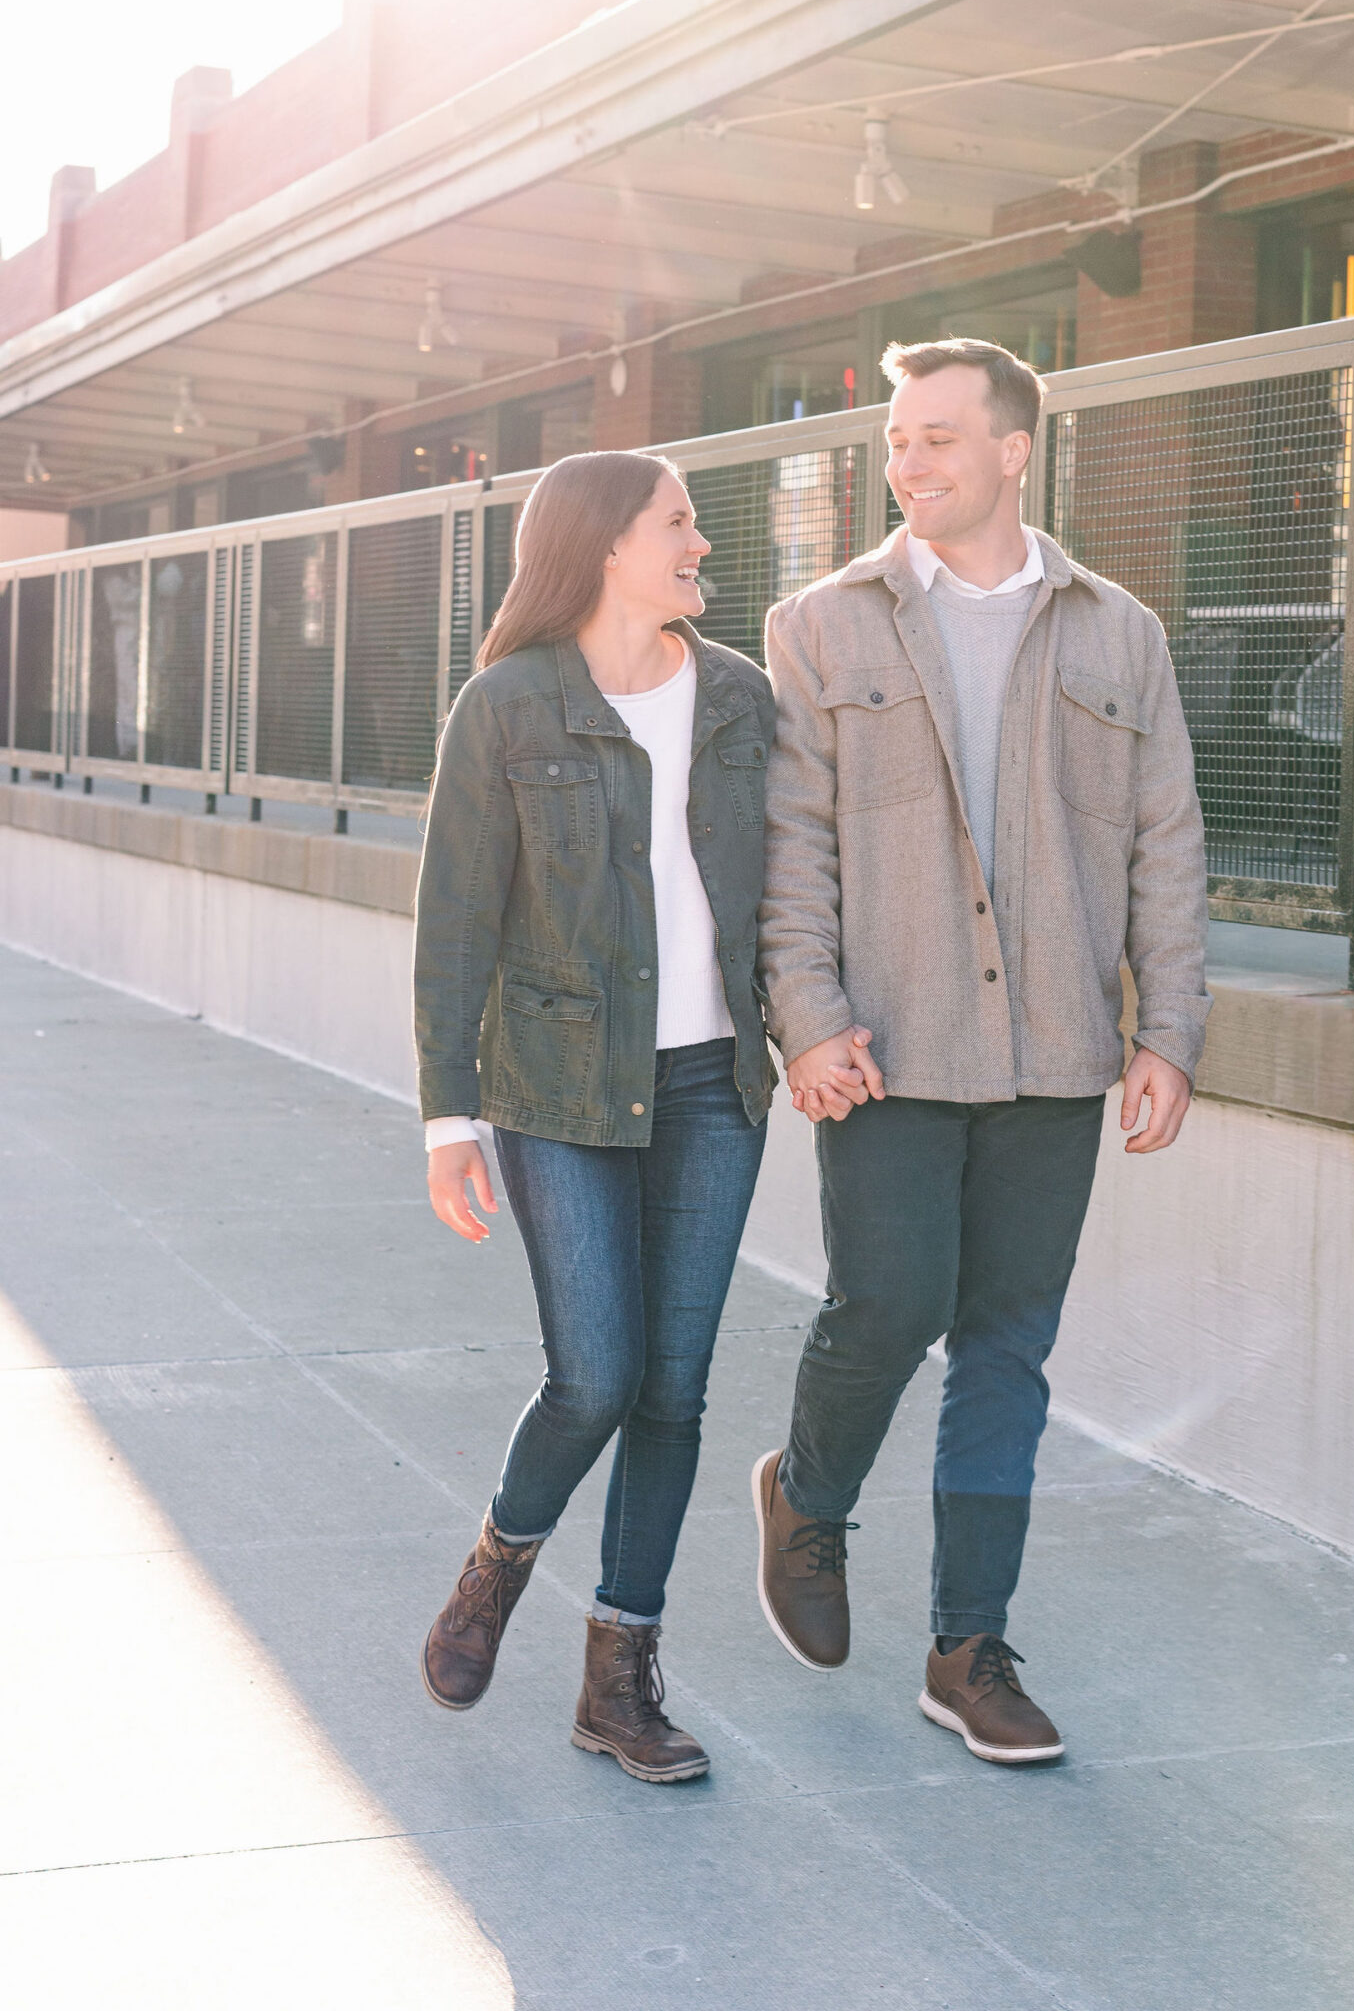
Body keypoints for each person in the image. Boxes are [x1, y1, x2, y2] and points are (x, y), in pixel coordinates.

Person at [754, 335, 1209, 1765]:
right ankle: (809, 1503)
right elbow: (793, 852)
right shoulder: (822, 626)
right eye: (898, 439)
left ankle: (967, 1648)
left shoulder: (1119, 631)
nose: (910, 460)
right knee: (885, 1310)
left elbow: (1168, 846)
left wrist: (1169, 1031)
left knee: (1007, 1350)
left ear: (1015, 450)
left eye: (941, 436)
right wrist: (808, 1019)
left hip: (1060, 1052)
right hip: (885, 1049)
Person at [414, 450, 776, 1784]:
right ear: (608, 545)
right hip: (560, 1085)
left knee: (673, 1393)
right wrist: (448, 1115)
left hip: (715, 1086)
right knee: (597, 1377)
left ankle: (618, 1675)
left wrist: (825, 1026)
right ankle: (501, 1562)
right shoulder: (507, 707)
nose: (699, 540)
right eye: (676, 521)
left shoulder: (740, 698)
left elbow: (790, 888)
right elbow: (455, 922)